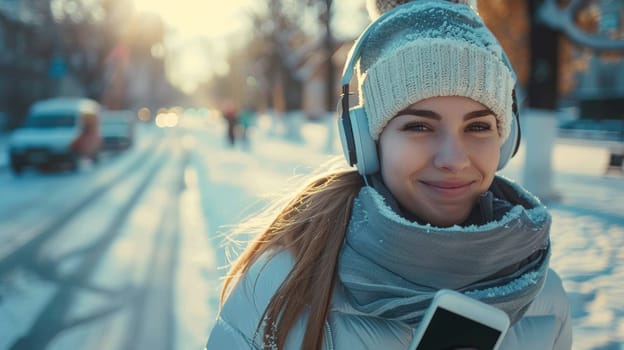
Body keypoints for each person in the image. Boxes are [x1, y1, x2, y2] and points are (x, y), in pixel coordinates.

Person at [206, 1, 573, 349]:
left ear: (506, 142)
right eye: (418, 127)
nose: (453, 159)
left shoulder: (545, 298)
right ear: (367, 142)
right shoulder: (280, 285)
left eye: (478, 127)